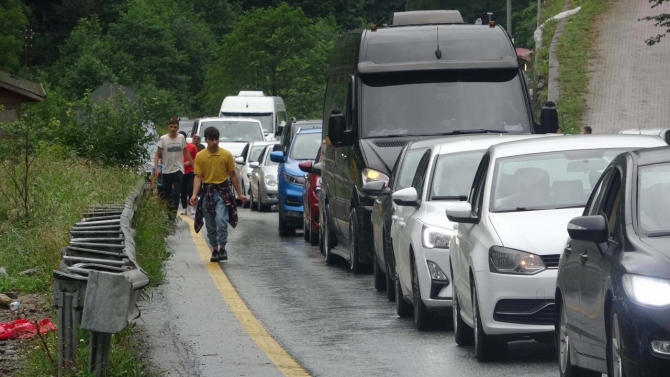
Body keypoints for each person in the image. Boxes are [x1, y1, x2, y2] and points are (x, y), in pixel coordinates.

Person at [190, 126, 248, 262]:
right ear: (206, 140)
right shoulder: (200, 156)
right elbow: (198, 177)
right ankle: (215, 249)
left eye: (216, 139)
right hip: (207, 191)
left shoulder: (226, 154)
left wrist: (240, 194)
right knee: (210, 224)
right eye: (211, 139)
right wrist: (194, 195)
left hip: (223, 192)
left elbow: (233, 175)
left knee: (221, 221)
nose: (214, 142)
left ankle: (223, 247)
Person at [154, 119, 194, 216]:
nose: (173, 129)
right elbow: (157, 154)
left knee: (176, 193)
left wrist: (193, 165)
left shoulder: (181, 138)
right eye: (171, 127)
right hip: (166, 170)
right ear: (168, 127)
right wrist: (156, 168)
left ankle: (173, 214)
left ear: (178, 128)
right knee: (167, 194)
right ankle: (169, 213)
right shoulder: (163, 139)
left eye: (175, 127)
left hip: (178, 169)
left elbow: (185, 151)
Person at [179, 131, 198, 215]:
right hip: (181, 171)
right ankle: (184, 208)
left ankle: (191, 206)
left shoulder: (192, 147)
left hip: (191, 170)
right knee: (183, 190)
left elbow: (196, 158)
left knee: (190, 188)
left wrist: (189, 163)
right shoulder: (176, 148)